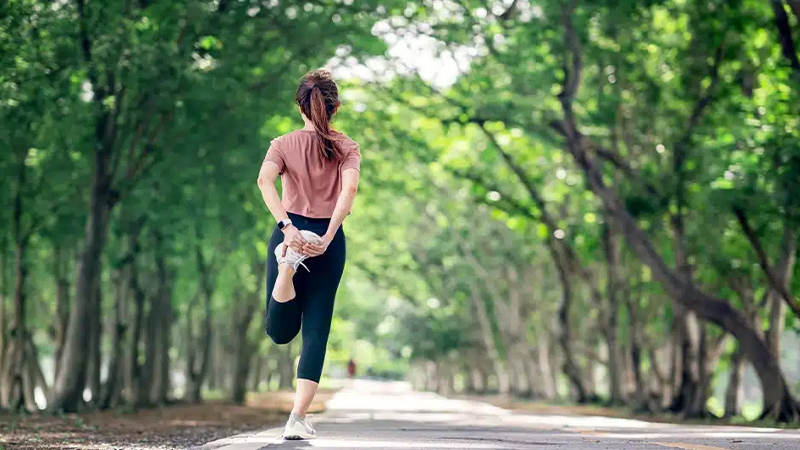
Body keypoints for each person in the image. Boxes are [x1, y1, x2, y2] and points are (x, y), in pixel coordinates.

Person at [256, 69, 360, 440]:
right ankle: (297, 418)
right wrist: (329, 235)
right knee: (315, 332)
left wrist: (287, 228)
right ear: (336, 107)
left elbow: (264, 181)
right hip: (327, 241)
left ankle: (286, 269)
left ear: (298, 104)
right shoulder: (347, 146)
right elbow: (348, 193)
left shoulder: (282, 144)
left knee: (280, 331)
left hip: (290, 233)